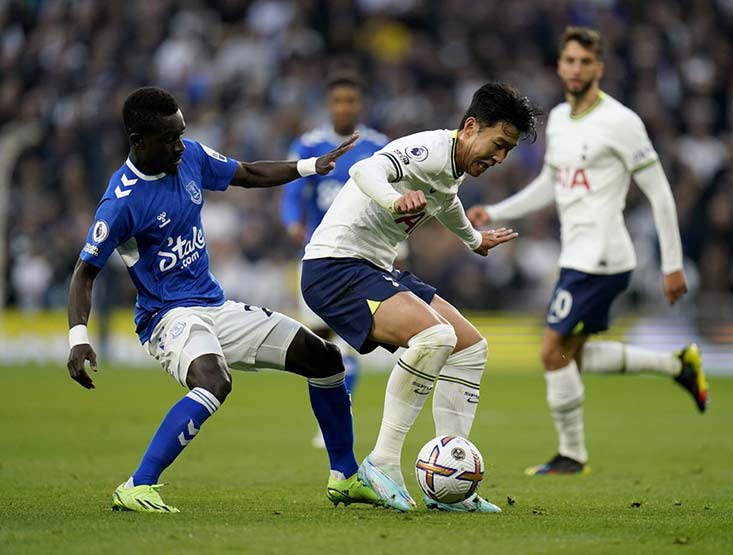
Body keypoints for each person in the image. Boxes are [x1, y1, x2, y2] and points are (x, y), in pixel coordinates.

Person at [66, 86, 383, 513]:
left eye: (182, 134)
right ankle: (137, 485)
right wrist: (78, 337)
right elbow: (85, 273)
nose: (180, 145)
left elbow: (248, 173)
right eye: (170, 139)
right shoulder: (121, 203)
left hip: (215, 307)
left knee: (325, 358)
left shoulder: (190, 157)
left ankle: (345, 477)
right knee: (214, 381)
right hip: (166, 317)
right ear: (140, 142)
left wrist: (310, 166)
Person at [467, 27, 709, 477]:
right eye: (569, 60)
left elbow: (659, 194)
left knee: (550, 349)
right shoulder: (558, 118)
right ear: (560, 65)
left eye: (585, 62)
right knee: (570, 356)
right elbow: (550, 186)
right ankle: (678, 366)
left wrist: (673, 266)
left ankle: (571, 455)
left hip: (602, 255)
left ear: (599, 68)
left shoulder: (621, 122)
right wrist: (497, 210)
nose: (576, 69)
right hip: (576, 255)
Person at [301, 82, 540, 512]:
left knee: (470, 348)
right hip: (335, 267)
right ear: (470, 127)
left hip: (372, 268)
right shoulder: (428, 149)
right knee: (436, 337)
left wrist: (474, 240)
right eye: (498, 144)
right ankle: (382, 463)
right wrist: (394, 199)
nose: (500, 157)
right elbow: (364, 170)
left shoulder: (453, 166)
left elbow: (446, 202)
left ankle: (453, 482)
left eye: (507, 150)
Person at [281, 72, 388, 447]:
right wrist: (293, 222)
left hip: (359, 256)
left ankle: (338, 420)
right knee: (319, 345)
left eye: (351, 101)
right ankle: (334, 416)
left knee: (345, 341)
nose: (345, 107)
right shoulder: (308, 144)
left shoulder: (378, 146)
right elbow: (293, 192)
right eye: (338, 101)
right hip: (315, 255)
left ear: (361, 105)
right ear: (329, 105)